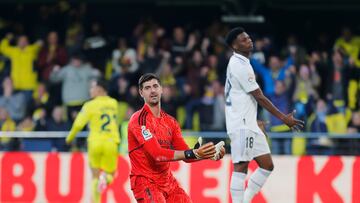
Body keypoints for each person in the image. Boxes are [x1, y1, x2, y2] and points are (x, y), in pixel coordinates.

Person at [224, 27, 304, 203]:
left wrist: (254, 119)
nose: (249, 40)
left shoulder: (242, 63)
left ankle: (245, 200)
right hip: (241, 124)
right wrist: (284, 118)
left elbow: (244, 97)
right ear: (234, 46)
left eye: (248, 37)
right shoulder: (239, 65)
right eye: (244, 39)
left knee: (267, 165)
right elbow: (259, 96)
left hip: (248, 121)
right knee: (241, 166)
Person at [127, 73, 225, 203]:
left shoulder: (171, 122)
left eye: (155, 86)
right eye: (147, 88)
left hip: (168, 182)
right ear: (141, 93)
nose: (152, 90)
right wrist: (193, 153)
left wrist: (208, 154)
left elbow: (187, 156)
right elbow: (156, 154)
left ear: (161, 89)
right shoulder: (139, 120)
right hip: (145, 182)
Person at [65, 79, 120, 203]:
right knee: (110, 174)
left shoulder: (90, 105)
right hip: (111, 142)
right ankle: (105, 179)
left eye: (92, 88)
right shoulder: (114, 103)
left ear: (99, 90)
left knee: (94, 175)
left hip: (95, 142)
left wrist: (70, 138)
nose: (90, 90)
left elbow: (78, 124)